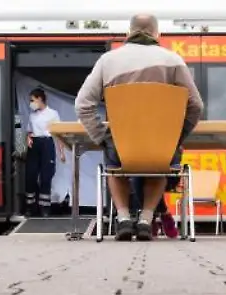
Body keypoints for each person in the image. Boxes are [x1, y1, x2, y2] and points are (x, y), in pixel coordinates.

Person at [75, 13, 203, 241]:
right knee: (160, 162)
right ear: (157, 34)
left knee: (115, 162)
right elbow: (196, 105)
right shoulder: (173, 60)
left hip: (121, 147)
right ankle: (145, 219)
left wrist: (102, 136)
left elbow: (83, 104)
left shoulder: (107, 61)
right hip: (161, 144)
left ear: (129, 33)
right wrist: (176, 136)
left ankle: (123, 218)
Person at [25, 88, 65, 217]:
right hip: (35, 144)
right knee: (30, 175)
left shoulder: (52, 114)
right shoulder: (32, 115)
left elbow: (58, 134)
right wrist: (28, 138)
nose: (31, 103)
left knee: (46, 176)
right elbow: (29, 131)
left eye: (32, 100)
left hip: (47, 143)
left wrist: (62, 152)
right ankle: (30, 205)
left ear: (40, 99)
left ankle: (44, 206)